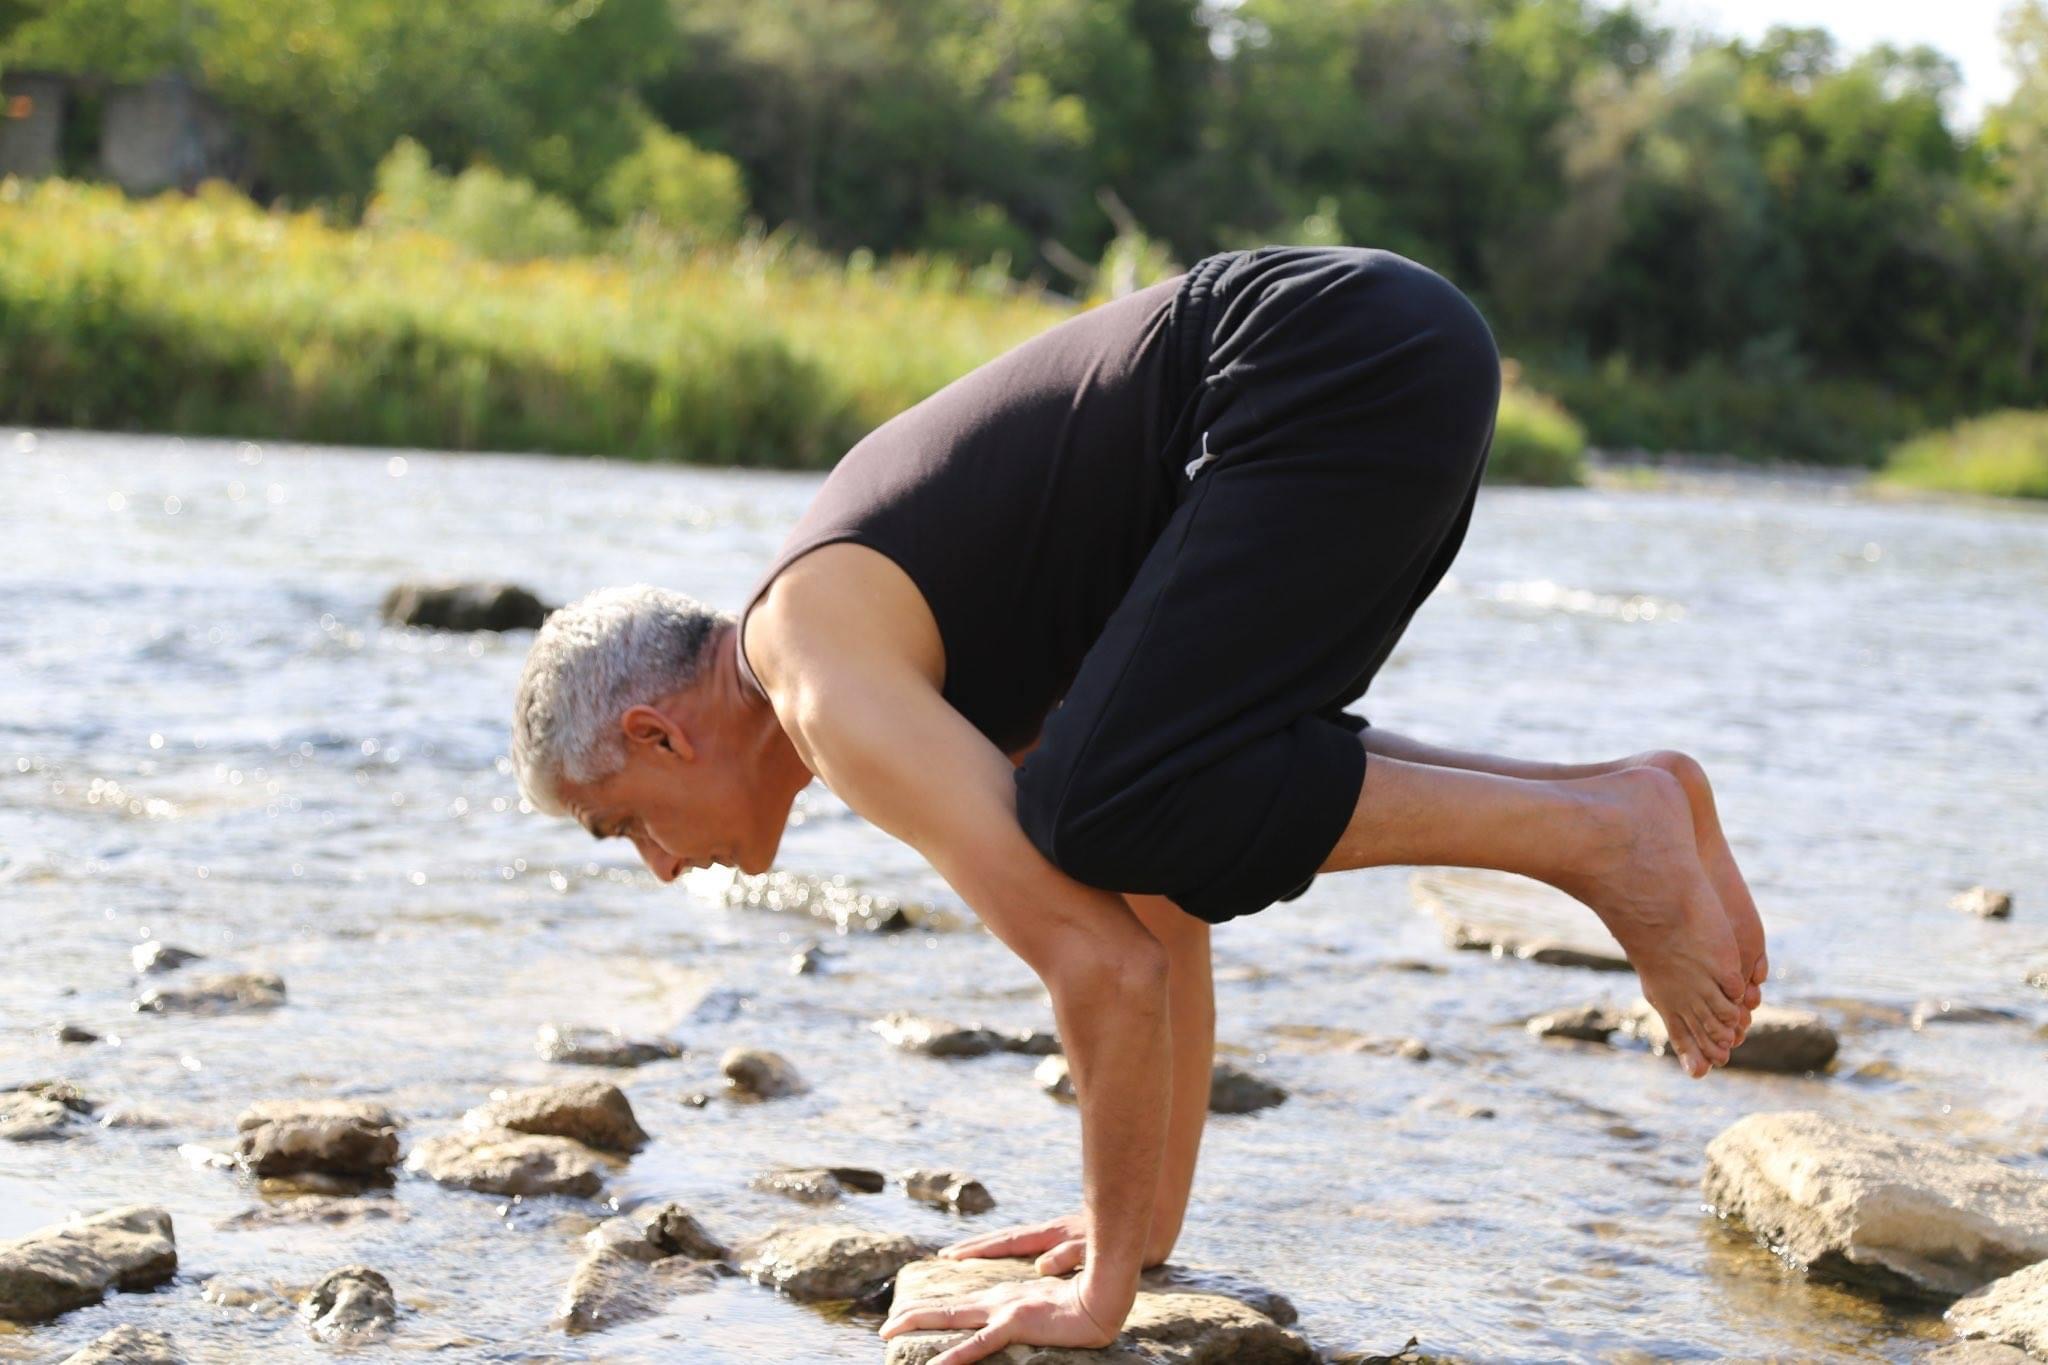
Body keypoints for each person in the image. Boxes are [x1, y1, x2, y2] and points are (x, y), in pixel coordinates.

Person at [509, 244, 1770, 1364]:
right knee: (1137, 800)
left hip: (1317, 364)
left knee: (1098, 809)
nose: (661, 868)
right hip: (1391, 349)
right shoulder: (903, 639)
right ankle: (1620, 795)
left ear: (655, 730)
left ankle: (1600, 837)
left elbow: (1096, 963)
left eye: (624, 824)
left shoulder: (819, 676)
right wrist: (1141, 1230)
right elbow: (1157, 911)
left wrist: (1099, 1299)